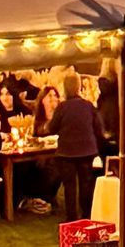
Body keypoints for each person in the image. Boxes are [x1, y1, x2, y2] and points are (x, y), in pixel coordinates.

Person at [48, 68, 105, 223]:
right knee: (86, 183)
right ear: (79, 87)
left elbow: (51, 128)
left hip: (66, 152)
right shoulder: (88, 106)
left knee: (70, 186)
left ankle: (71, 217)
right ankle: (87, 214)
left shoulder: (62, 107)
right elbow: (98, 128)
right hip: (87, 150)